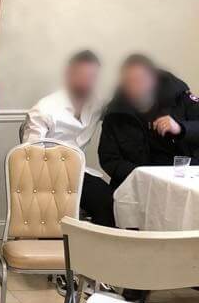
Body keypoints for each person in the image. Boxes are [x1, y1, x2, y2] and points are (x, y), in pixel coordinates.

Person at [23, 50, 114, 226]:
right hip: (46, 172)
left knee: (109, 200)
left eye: (92, 77)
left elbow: (122, 107)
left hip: (79, 172)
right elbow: (29, 155)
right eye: (82, 75)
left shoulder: (97, 104)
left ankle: (97, 243)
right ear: (69, 74)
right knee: (101, 199)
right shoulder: (44, 109)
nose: (86, 82)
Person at [99, 54, 199, 190]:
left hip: (183, 178)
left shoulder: (179, 98)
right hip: (138, 183)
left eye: (141, 79)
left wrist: (181, 128)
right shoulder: (115, 114)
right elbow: (109, 159)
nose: (136, 86)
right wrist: (143, 176)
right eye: (130, 81)